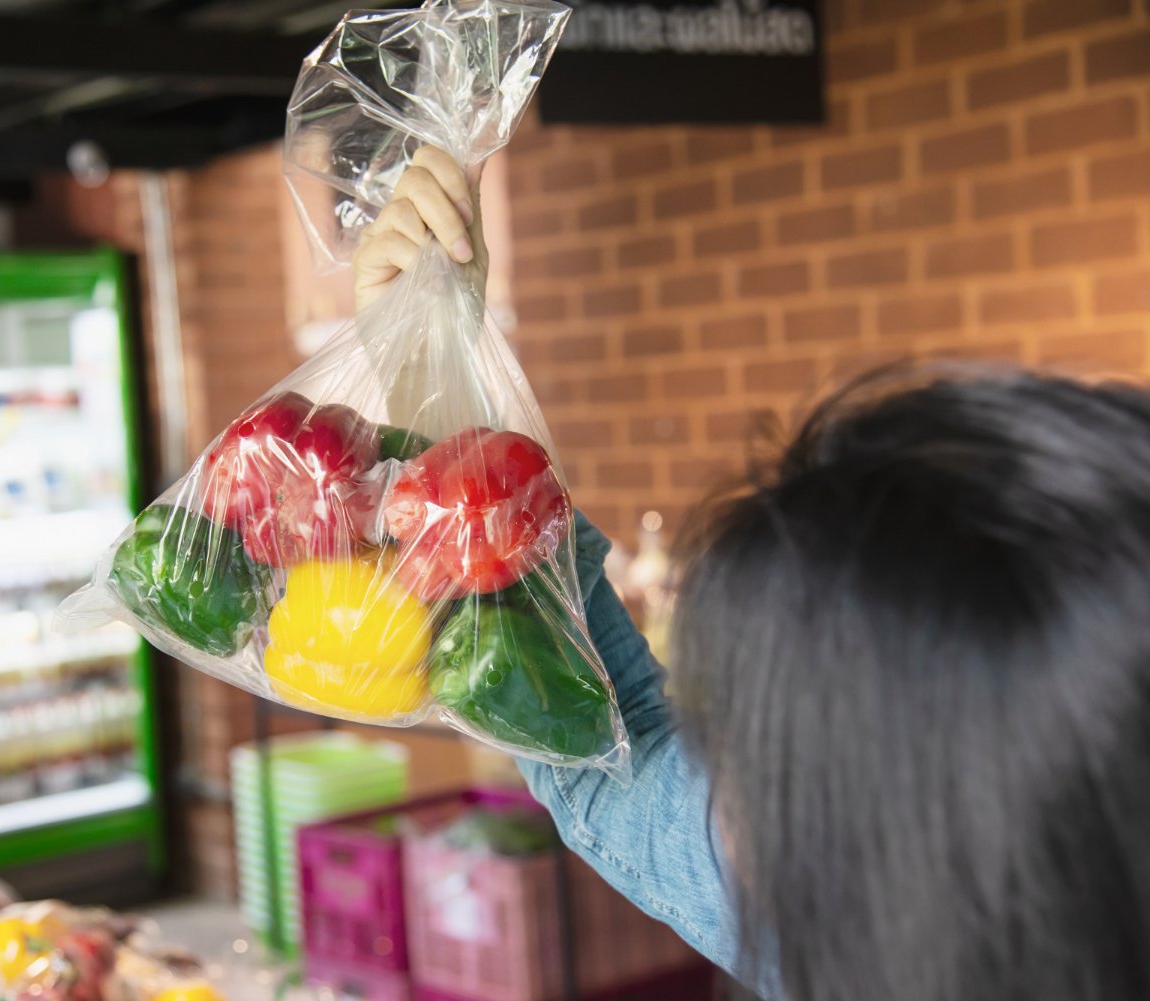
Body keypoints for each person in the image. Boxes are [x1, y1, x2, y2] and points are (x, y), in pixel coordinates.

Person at [354, 148, 1150, 1001]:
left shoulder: (836, 893)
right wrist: (441, 396)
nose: (725, 807)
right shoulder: (876, 886)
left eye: (762, 756)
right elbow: (618, 750)